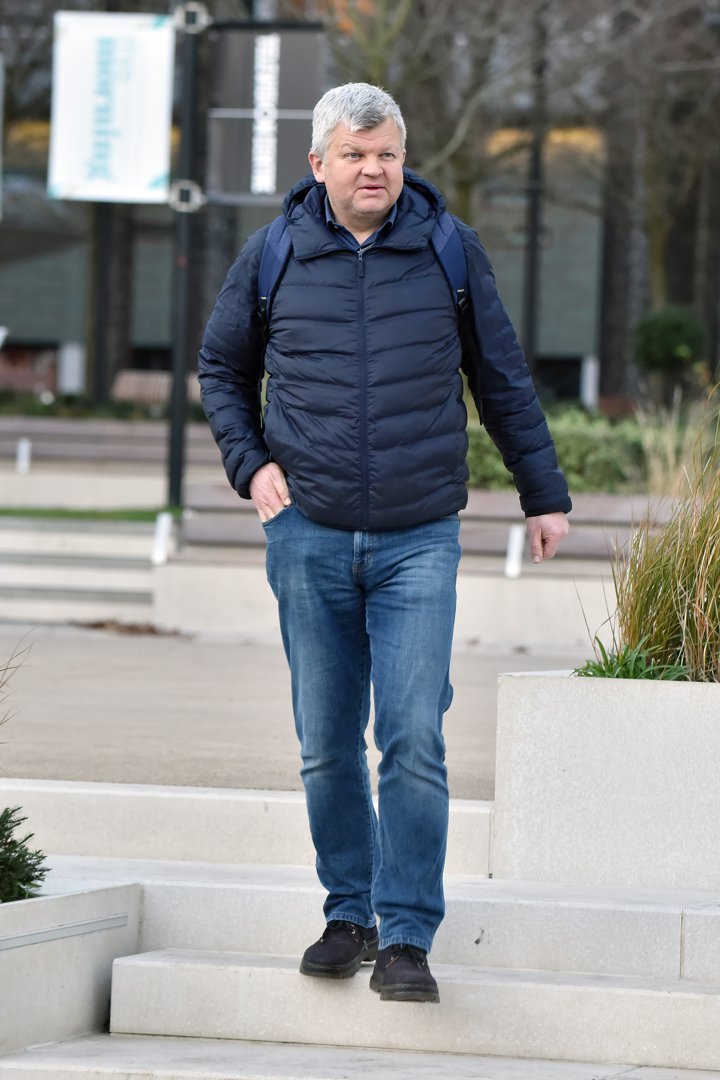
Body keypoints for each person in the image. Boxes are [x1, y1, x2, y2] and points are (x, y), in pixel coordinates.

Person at [199, 82, 570, 1004]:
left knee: (411, 738)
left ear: (404, 160)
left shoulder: (447, 248)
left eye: (388, 154)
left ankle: (406, 935)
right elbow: (220, 366)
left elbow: (502, 377)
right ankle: (348, 913)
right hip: (308, 531)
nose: (375, 170)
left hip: (418, 537)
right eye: (356, 154)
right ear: (318, 163)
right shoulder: (274, 252)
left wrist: (544, 494)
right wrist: (251, 466)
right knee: (326, 744)